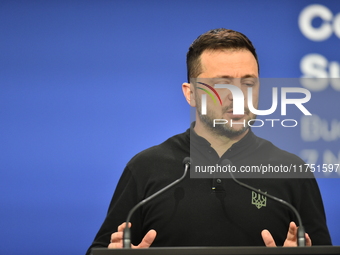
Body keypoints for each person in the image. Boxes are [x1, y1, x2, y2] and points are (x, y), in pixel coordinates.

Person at [86, 28, 331, 254]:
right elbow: (102, 248)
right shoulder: (145, 168)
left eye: (248, 83)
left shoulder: (291, 171)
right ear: (190, 94)